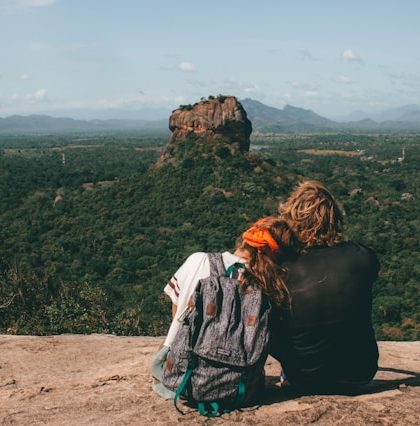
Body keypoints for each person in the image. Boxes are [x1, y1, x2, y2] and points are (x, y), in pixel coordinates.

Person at [151, 216, 298, 399]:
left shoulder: (199, 261)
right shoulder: (271, 288)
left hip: (181, 377)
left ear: (245, 239)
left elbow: (177, 313)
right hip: (240, 386)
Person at [270, 180, 379, 393]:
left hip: (304, 377)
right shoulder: (364, 257)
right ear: (335, 218)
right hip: (360, 373)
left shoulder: (283, 268)